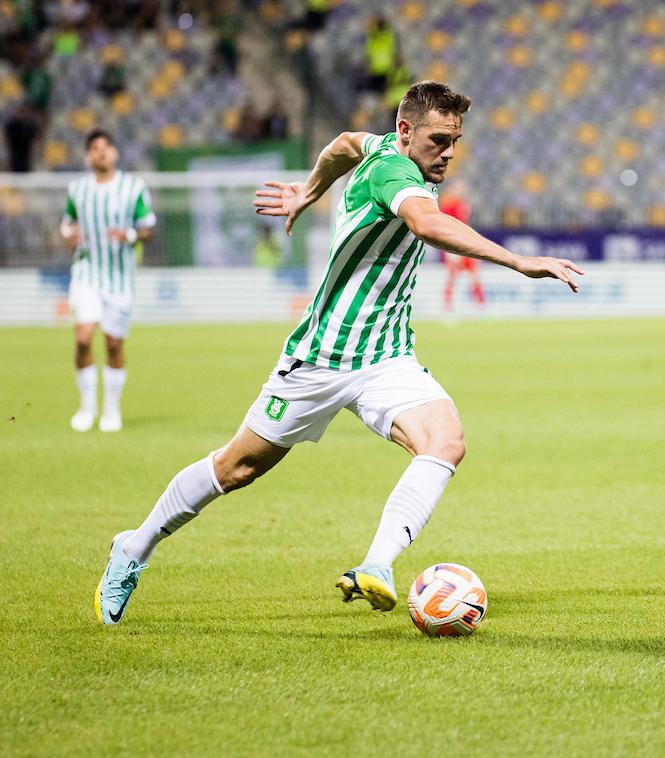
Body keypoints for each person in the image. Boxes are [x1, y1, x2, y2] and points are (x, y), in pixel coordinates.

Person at [93, 81, 583, 625]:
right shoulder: (394, 172)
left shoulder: (378, 148)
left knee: (446, 440)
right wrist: (518, 262)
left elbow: (344, 143)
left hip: (387, 357)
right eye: (439, 140)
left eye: (455, 141)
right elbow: (426, 224)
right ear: (405, 132)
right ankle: (133, 547)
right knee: (236, 469)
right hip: (320, 357)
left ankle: (377, 565)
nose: (448, 153)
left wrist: (310, 189)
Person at [62, 128, 156, 433]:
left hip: (119, 278)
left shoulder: (133, 188)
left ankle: (111, 410)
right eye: (94, 148)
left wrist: (128, 235)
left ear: (114, 152)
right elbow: (68, 224)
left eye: (106, 147)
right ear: (88, 155)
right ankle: (87, 408)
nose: (101, 152)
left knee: (114, 344)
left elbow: (147, 229)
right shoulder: (77, 189)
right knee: (83, 338)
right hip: (87, 272)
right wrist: (69, 235)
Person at [438, 179, 485, 314]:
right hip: (454, 244)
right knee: (453, 276)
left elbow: (464, 224)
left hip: (465, 243)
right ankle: (447, 307)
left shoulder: (462, 203)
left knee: (475, 274)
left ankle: (481, 307)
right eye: (459, 187)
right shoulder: (448, 204)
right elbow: (446, 225)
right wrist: (449, 248)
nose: (462, 190)